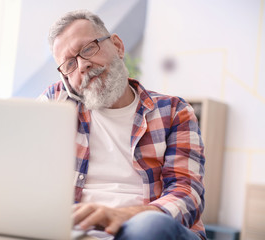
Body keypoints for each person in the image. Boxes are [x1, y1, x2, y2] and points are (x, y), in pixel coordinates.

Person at [40, 9, 206, 240]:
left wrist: (123, 215)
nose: (82, 66)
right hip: (78, 232)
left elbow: (187, 195)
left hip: (145, 229)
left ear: (117, 46)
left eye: (88, 49)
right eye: (69, 64)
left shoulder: (174, 112)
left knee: (151, 227)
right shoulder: (56, 103)